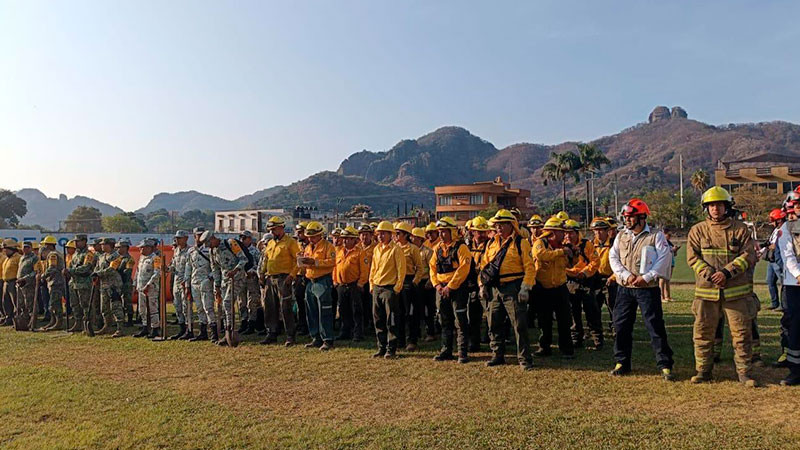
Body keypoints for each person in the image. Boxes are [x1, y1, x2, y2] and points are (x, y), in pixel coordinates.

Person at [686, 187, 758, 386]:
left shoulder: (741, 229)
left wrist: (726, 273)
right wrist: (711, 275)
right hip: (706, 293)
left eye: (719, 205)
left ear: (727, 207)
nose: (715, 209)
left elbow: (748, 255)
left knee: (742, 334)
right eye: (711, 205)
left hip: (737, 295)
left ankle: (744, 373)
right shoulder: (697, 230)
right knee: (702, 333)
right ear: (706, 209)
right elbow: (692, 258)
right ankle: (703, 371)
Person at [609, 198, 675, 381]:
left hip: (648, 289)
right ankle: (621, 362)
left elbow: (664, 259)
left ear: (642, 217)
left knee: (654, 326)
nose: (627, 220)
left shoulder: (656, 236)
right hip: (625, 288)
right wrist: (625, 275)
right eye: (626, 217)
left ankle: (665, 364)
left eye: (631, 217)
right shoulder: (621, 235)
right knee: (621, 325)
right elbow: (613, 257)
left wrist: (646, 277)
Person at [480, 209, 536, 370]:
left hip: (514, 287)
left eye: (503, 224)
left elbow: (530, 267)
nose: (499, 227)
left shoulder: (521, 242)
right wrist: (482, 285)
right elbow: (484, 266)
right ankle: (497, 355)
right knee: (493, 323)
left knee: (519, 325)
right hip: (495, 289)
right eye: (497, 224)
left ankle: (524, 359)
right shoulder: (491, 243)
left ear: (512, 225)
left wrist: (525, 288)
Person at [429, 217, 472, 363]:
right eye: (440, 232)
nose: (441, 235)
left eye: (444, 232)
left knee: (460, 321)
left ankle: (462, 353)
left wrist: (450, 286)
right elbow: (432, 268)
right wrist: (437, 285)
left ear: (452, 232)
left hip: (457, 289)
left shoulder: (461, 247)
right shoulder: (437, 249)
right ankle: (446, 350)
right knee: (444, 320)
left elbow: (464, 269)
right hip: (441, 289)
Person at [531, 217, 574, 358]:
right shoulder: (540, 243)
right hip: (543, 288)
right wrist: (562, 252)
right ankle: (544, 347)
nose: (565, 235)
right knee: (544, 320)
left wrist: (572, 253)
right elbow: (541, 255)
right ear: (554, 233)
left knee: (564, 320)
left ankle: (566, 349)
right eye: (562, 232)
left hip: (560, 287)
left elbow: (569, 265)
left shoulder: (563, 246)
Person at [261, 216, 302, 346]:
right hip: (270, 278)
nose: (272, 232)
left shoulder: (291, 242)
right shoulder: (270, 243)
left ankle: (290, 335)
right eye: (271, 230)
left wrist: (292, 275)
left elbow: (298, 261)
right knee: (269, 307)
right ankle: (271, 333)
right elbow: (266, 260)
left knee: (286, 308)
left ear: (281, 228)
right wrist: (262, 274)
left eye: (274, 229)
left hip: (284, 278)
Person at [203, 230, 248, 346]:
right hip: (225, 280)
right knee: (223, 306)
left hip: (237, 278)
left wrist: (235, 270)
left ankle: (231, 331)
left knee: (228, 303)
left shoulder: (230, 243)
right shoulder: (212, 251)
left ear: (213, 238)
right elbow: (215, 269)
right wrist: (216, 286)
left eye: (210, 243)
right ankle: (227, 334)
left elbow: (243, 259)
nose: (210, 246)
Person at [563, 219, 603, 350]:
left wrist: (585, 273)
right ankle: (576, 339)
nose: (568, 236)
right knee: (573, 313)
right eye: (566, 233)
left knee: (591, 311)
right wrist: (570, 272)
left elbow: (595, 261)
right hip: (571, 281)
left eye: (571, 233)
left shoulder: (587, 245)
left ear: (577, 233)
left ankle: (597, 339)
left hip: (586, 281)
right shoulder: (561, 247)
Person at [369, 221, 407, 358]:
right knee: (378, 319)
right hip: (377, 288)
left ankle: (391, 349)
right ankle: (381, 347)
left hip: (389, 289)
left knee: (391, 320)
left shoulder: (396, 249)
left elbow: (401, 270)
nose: (380, 236)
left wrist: (397, 288)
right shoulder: (376, 249)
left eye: (383, 233)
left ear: (390, 234)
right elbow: (373, 268)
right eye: (379, 233)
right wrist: (371, 285)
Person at [299, 222, 337, 350]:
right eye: (309, 237)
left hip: (323, 280)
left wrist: (314, 262)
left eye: (314, 236)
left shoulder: (328, 246)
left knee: (325, 311)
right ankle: (316, 337)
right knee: (311, 311)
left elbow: (332, 262)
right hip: (311, 281)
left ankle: (327, 339)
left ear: (320, 234)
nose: (311, 239)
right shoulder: (308, 248)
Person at [778, 194, 800, 386]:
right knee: (796, 326)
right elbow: (787, 255)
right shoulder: (787, 227)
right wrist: (798, 274)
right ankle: (795, 370)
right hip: (796, 284)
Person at [333, 226, 368, 343]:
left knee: (356, 310)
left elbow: (364, 270)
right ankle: (345, 331)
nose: (345, 241)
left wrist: (360, 284)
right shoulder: (339, 252)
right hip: (341, 285)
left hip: (354, 285)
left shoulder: (360, 253)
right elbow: (335, 267)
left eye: (348, 238)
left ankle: (358, 333)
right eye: (344, 238)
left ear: (354, 240)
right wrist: (335, 281)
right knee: (343, 310)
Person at [394, 221, 425, 350]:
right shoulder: (394, 248)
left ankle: (412, 339)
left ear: (406, 235)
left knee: (410, 313)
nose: (396, 236)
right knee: (398, 313)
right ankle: (400, 340)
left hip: (409, 282)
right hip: (397, 282)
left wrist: (414, 282)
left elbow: (420, 268)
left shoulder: (413, 249)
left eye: (398, 233)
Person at [184, 227, 217, 342]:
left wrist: (210, 278)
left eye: (202, 234)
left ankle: (214, 332)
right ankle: (203, 332)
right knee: (199, 308)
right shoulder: (191, 251)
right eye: (198, 235)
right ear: (194, 236)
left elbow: (216, 266)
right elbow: (188, 268)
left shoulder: (210, 249)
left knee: (208, 307)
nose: (201, 237)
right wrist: (187, 284)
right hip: (194, 282)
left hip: (206, 281)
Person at [91, 238, 126, 337]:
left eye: (104, 244)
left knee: (115, 307)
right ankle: (107, 326)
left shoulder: (116, 256)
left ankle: (120, 328)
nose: (101, 246)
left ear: (110, 245)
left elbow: (111, 269)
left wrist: (97, 273)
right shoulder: (102, 256)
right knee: (104, 308)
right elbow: (97, 267)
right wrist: (95, 274)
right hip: (104, 285)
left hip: (114, 285)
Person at [466, 216, 490, 352]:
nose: (482, 235)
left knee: (491, 315)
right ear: (472, 232)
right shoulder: (466, 245)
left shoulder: (491, 245)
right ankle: (474, 343)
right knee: (473, 315)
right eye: (479, 232)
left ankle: (491, 340)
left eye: (484, 232)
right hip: (471, 284)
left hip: (486, 282)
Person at [65, 234, 95, 333]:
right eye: (76, 241)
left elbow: (86, 267)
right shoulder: (75, 254)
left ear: (84, 241)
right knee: (75, 305)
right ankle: (77, 323)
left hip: (84, 283)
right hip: (74, 283)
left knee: (85, 305)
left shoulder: (88, 254)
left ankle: (87, 324)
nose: (76, 243)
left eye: (78, 241)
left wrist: (71, 270)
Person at [37, 235, 65, 331]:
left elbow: (52, 268)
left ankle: (58, 323)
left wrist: (43, 275)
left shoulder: (52, 255)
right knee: (53, 304)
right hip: (54, 282)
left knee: (55, 303)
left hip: (56, 282)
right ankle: (53, 321)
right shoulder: (56, 253)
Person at [135, 239, 162, 339]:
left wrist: (148, 285)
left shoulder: (156, 258)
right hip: (141, 288)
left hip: (151, 288)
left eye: (142, 247)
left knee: (152, 309)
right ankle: (145, 327)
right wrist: (135, 285)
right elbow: (138, 272)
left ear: (148, 248)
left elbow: (157, 273)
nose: (140, 249)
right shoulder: (141, 258)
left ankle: (155, 328)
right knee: (142, 309)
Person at [236, 230, 261, 335]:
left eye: (244, 238)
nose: (242, 240)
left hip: (251, 278)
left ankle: (252, 323)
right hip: (241, 278)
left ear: (249, 239)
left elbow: (260, 264)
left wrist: (254, 271)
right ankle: (243, 322)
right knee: (241, 301)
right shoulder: (237, 250)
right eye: (241, 238)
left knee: (252, 301)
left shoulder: (254, 251)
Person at [168, 230, 191, 339]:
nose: (177, 240)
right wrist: (167, 269)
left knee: (186, 306)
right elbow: (173, 265)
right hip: (176, 282)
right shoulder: (176, 250)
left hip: (185, 282)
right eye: (176, 238)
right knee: (177, 306)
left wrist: (187, 282)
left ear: (186, 238)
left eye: (179, 238)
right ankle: (181, 329)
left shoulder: (190, 251)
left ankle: (189, 329)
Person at [422, 222, 441, 340]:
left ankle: (438, 328)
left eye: (432, 232)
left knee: (435, 307)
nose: (429, 235)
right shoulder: (426, 244)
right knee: (429, 308)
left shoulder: (440, 244)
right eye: (427, 233)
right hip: (429, 279)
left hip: (438, 279)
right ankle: (431, 330)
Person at [766, 208, 786, 310]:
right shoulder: (776, 230)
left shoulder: (784, 230)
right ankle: (775, 303)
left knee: (784, 283)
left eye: (773, 220)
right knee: (770, 281)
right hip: (772, 260)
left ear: (779, 220)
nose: (771, 223)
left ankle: (783, 305)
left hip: (778, 260)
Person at [15, 241, 38, 329]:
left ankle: (33, 322)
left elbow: (35, 272)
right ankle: (24, 322)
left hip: (29, 284)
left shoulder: (34, 258)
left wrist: (25, 278)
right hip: (20, 284)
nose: (25, 249)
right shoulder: (22, 258)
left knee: (30, 304)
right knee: (21, 304)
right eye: (24, 247)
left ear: (31, 248)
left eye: (27, 247)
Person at [115, 239, 136, 326]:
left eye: (120, 247)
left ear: (126, 248)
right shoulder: (117, 258)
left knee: (127, 301)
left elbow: (128, 271)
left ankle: (130, 320)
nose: (118, 249)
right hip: (118, 282)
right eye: (118, 247)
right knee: (119, 302)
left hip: (125, 282)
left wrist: (117, 271)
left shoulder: (129, 259)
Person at [659, 228, 680, 303]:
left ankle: (668, 296)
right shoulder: (661, 242)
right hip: (664, 262)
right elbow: (662, 252)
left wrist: (675, 250)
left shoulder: (669, 243)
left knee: (667, 280)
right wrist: (671, 250)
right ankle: (661, 297)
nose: (670, 237)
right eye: (668, 235)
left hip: (671, 262)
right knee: (662, 280)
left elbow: (674, 254)